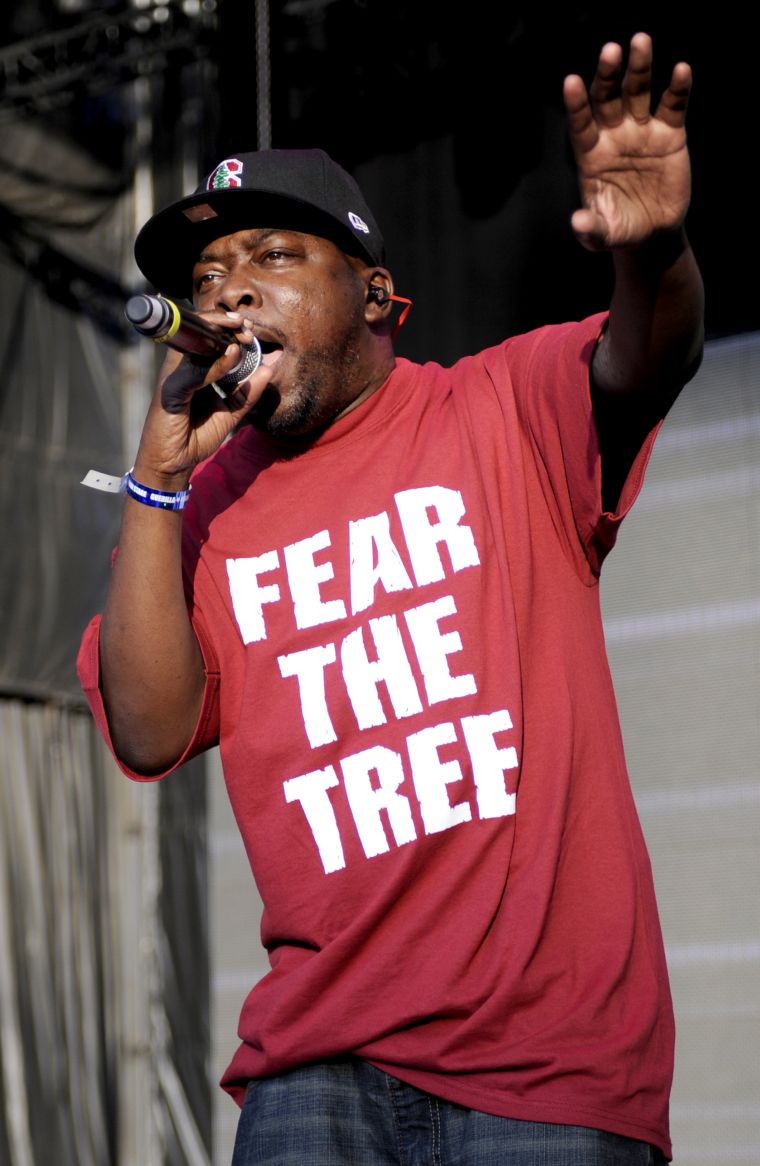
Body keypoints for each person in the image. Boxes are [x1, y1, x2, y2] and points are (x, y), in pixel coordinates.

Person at [78, 32, 703, 1165]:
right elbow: (147, 724)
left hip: (545, 1060)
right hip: (313, 1068)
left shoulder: (499, 408)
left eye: (270, 254)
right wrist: (159, 481)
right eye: (207, 281)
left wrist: (651, 256)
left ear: (376, 293)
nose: (228, 293)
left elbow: (646, 355)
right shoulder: (203, 506)